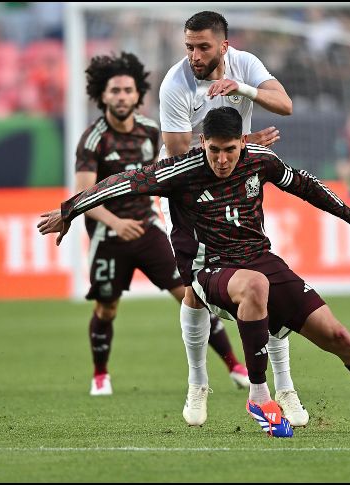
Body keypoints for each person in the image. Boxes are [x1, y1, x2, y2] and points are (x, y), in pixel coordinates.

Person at [39, 107, 350, 437]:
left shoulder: (260, 160)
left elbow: (305, 185)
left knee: (338, 335)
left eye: (230, 150)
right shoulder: (179, 171)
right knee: (255, 286)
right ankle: (258, 394)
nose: (221, 159)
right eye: (214, 149)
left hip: (259, 258)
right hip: (207, 268)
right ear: (202, 143)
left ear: (242, 144)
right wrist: (68, 211)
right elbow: (122, 182)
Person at [157, 11, 307, 428]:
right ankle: (198, 382)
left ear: (224, 45)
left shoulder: (245, 64)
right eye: (188, 46)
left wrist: (241, 92)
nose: (194, 55)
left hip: (239, 182)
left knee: (264, 280)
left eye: (202, 46)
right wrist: (237, 148)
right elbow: (174, 157)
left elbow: (286, 105)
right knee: (193, 289)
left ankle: (285, 387)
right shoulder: (175, 84)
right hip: (190, 193)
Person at [75, 52, 250, 397]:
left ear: (138, 94)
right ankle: (100, 375)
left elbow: (182, 165)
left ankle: (234, 365)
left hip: (149, 229)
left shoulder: (153, 131)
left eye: (128, 90)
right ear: (103, 96)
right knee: (107, 308)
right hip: (108, 234)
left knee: (192, 293)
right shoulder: (94, 139)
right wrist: (115, 222)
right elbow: (83, 195)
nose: (122, 96)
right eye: (115, 91)